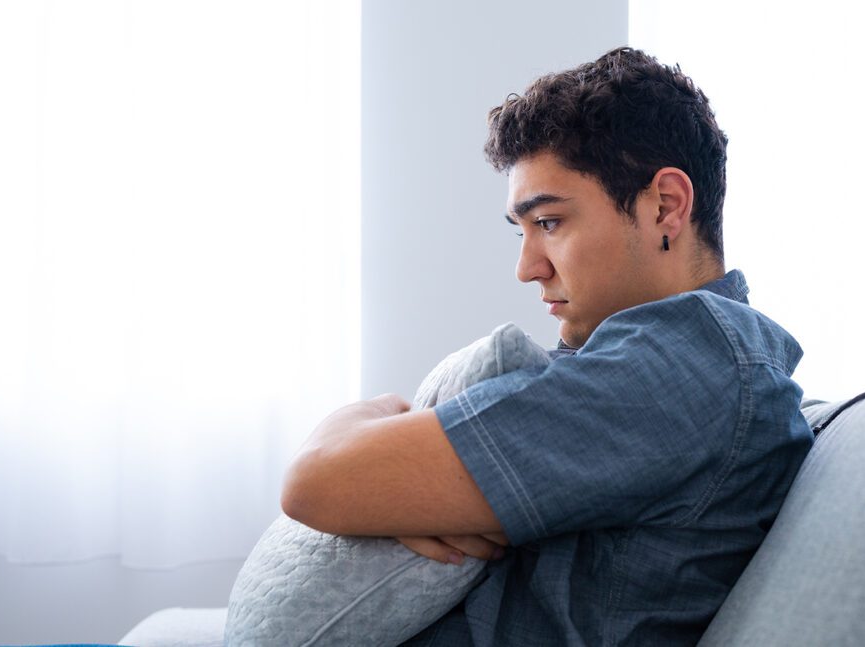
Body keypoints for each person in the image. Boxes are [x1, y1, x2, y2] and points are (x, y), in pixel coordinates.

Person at [281, 47, 814, 645]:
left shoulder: (681, 368)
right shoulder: (647, 357)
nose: (527, 267)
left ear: (666, 205)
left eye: (551, 222)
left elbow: (315, 480)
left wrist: (366, 414)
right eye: (523, 230)